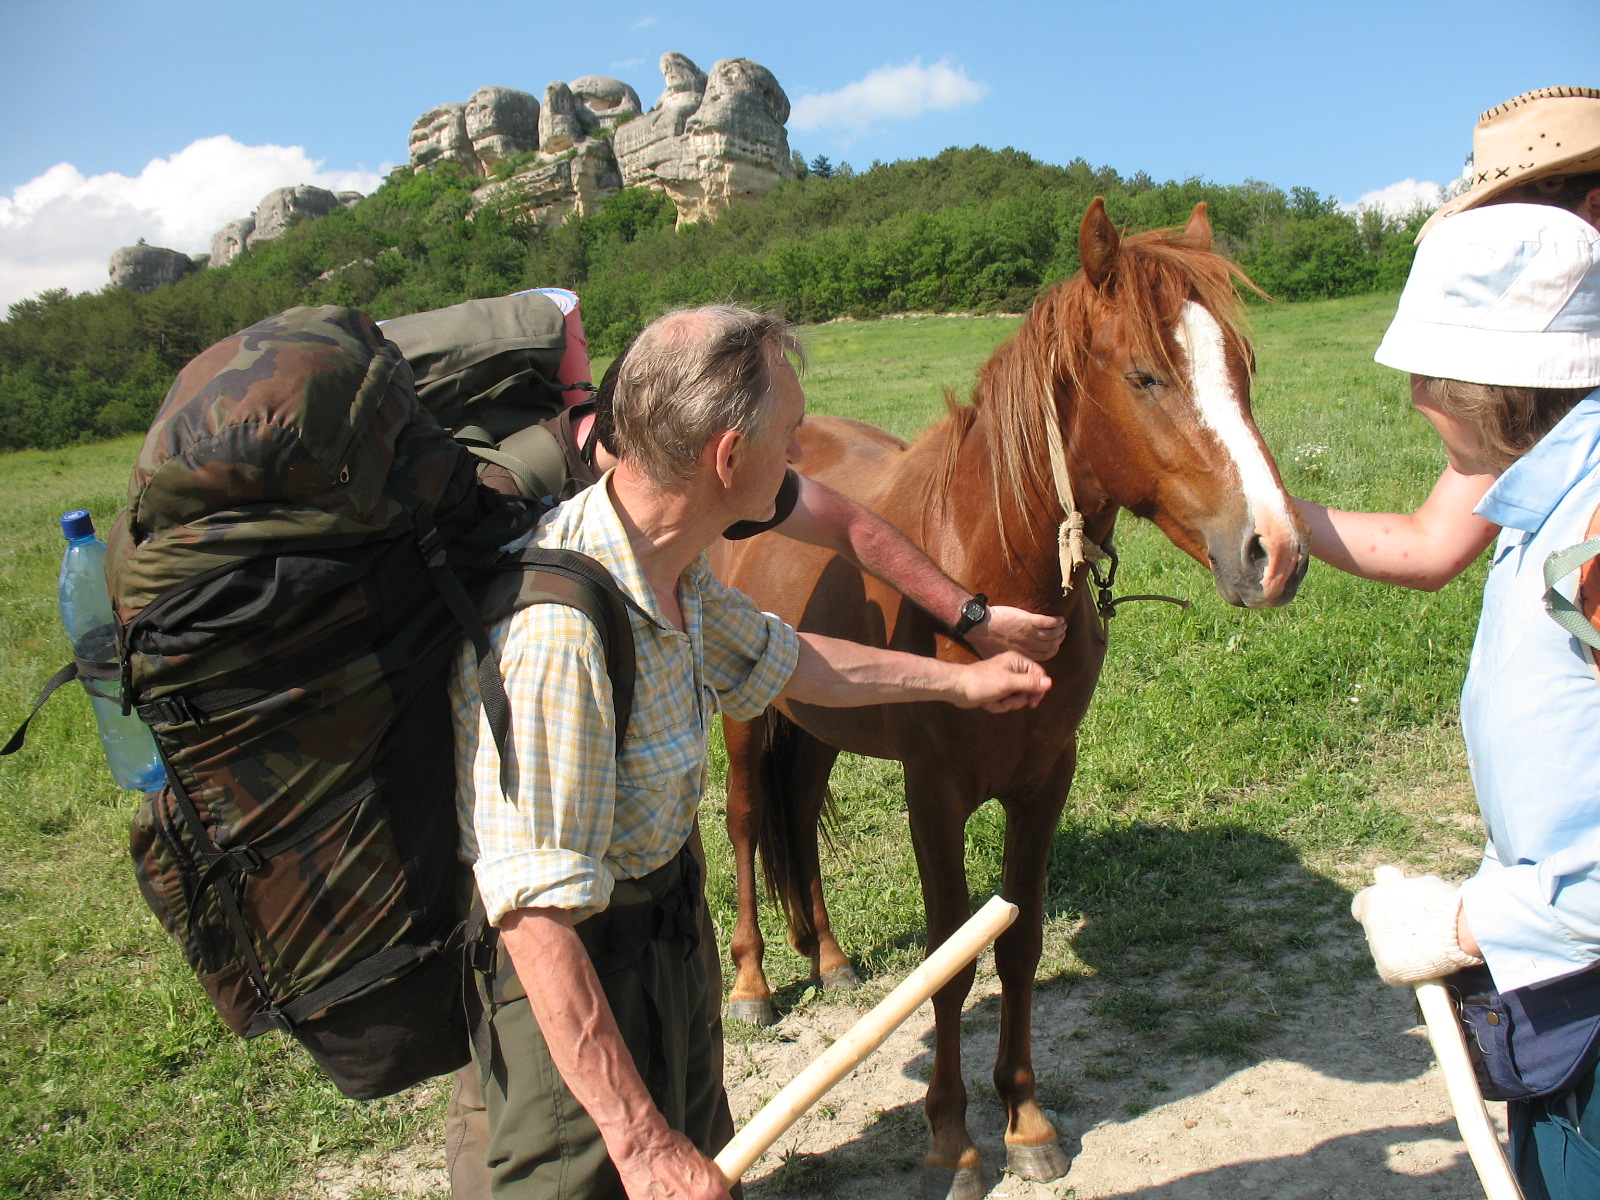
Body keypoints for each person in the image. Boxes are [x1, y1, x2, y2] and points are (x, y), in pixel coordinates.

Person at [448, 304, 1053, 1200]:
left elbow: (788, 658)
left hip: (665, 937)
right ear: (729, 460)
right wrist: (640, 1139)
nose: (803, 453)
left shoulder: (672, 568)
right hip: (575, 987)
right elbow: (535, 920)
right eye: (792, 433)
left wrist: (960, 682)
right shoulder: (560, 633)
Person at [1322, 203, 1600, 1198]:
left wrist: (1469, 924)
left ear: (1492, 388)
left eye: (1427, 372)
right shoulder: (1551, 498)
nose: (1409, 397)